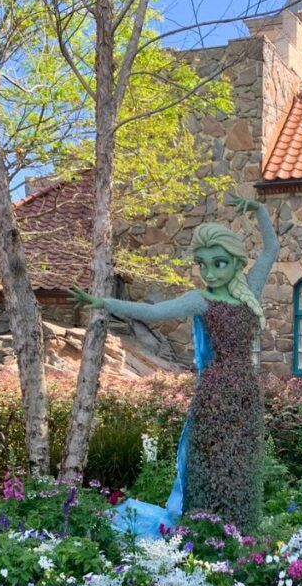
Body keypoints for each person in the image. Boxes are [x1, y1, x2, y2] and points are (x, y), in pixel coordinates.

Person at [70, 195, 278, 535]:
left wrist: (260, 211)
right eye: (203, 264)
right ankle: (203, 529)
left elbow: (270, 250)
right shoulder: (201, 299)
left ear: (236, 263)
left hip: (246, 395)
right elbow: (154, 312)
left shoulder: (248, 293)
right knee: (208, 460)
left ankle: (240, 530)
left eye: (219, 264)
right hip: (214, 391)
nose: (210, 273)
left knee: (242, 461)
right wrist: (103, 302)